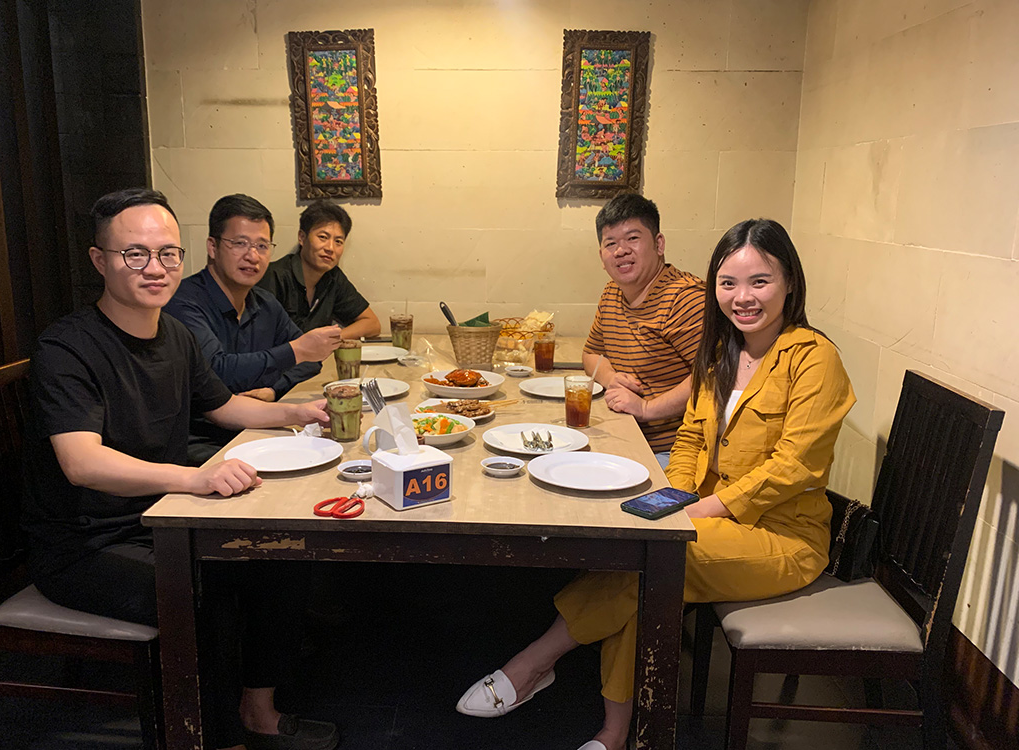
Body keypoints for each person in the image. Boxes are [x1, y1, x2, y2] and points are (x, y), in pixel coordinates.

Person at [456, 219, 855, 750]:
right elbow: (689, 436)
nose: (743, 297)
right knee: (639, 562)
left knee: (646, 565)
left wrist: (703, 510)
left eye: (760, 281)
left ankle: (534, 664)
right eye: (729, 283)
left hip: (783, 537)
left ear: (789, 283)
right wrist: (676, 497)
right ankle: (616, 731)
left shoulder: (814, 358)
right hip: (707, 512)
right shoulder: (723, 350)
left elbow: (794, 466)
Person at [21, 188, 339, 750]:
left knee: (282, 561)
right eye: (135, 254)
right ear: (100, 260)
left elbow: (222, 405)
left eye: (168, 253)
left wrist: (299, 412)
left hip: (164, 520)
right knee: (202, 596)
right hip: (87, 544)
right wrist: (193, 479)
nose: (155, 268)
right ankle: (217, 739)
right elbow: (81, 463)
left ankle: (257, 710)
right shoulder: (67, 347)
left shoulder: (173, 334)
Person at [165, 194, 343, 463]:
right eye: (239, 243)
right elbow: (217, 374)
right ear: (212, 247)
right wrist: (295, 351)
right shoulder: (183, 302)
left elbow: (311, 360)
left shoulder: (264, 302)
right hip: (201, 445)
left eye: (262, 246)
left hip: (257, 428)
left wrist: (275, 389)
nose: (252, 256)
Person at [581, 193, 706, 469]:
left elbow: (713, 378)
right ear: (601, 256)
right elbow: (591, 353)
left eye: (633, 238)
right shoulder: (612, 292)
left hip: (673, 451)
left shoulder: (685, 298)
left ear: (659, 244)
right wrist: (611, 378)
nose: (621, 251)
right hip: (624, 436)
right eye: (610, 243)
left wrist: (646, 409)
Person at [257, 199, 380, 338]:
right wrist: (310, 344)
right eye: (323, 237)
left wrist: (329, 339)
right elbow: (259, 337)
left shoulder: (333, 277)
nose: (330, 248)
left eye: (338, 241)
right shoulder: (273, 276)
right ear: (302, 237)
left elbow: (372, 324)